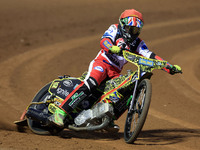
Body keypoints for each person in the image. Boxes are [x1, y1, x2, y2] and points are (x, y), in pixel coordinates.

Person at [49, 9, 182, 130]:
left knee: (126, 90)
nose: (132, 32)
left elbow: (150, 55)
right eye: (130, 28)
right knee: (92, 83)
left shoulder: (138, 43)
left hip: (114, 73)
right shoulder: (115, 28)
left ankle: (108, 118)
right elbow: (104, 40)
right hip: (102, 63)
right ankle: (60, 112)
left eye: (135, 30)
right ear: (123, 26)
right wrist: (111, 47)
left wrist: (168, 66)